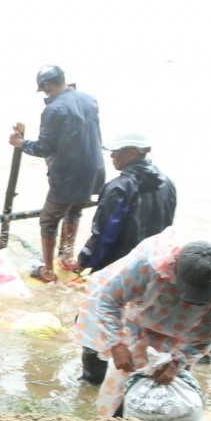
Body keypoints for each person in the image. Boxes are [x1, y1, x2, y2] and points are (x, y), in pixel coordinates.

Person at [75, 231, 211, 418]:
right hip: (139, 320)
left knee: (169, 386)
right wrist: (115, 343)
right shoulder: (148, 264)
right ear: (174, 267)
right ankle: (114, 420)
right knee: (123, 380)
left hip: (183, 330)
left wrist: (180, 359)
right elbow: (108, 299)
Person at [76, 131, 178, 384]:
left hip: (116, 270)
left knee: (96, 322)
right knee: (140, 328)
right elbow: (169, 231)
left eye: (117, 152)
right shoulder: (168, 184)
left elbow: (104, 235)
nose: (112, 156)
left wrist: (84, 260)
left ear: (132, 153)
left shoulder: (118, 187)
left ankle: (93, 379)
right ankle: (135, 377)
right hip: (155, 272)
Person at [7, 65, 104, 282]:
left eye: (45, 90)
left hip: (68, 176)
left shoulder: (53, 110)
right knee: (74, 211)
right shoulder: (90, 99)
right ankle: (67, 256)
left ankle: (48, 270)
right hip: (93, 171)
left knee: (48, 221)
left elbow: (44, 147)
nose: (46, 94)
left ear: (48, 86)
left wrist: (21, 143)